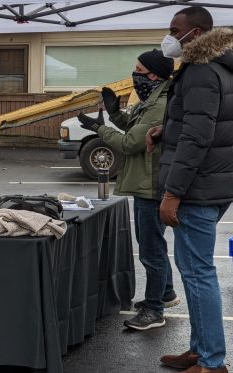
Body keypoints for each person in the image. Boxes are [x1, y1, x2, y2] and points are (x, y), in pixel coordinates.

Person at [146, 6, 233, 373]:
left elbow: (198, 137)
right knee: (193, 267)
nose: (169, 36)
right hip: (215, 182)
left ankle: (212, 362)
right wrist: (166, 130)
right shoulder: (222, 67)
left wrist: (173, 193)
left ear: (194, 34)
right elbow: (214, 123)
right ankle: (201, 349)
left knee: (197, 272)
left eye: (174, 29)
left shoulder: (200, 71)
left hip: (196, 188)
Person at [78, 50, 179, 331]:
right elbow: (133, 128)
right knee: (154, 244)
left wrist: (100, 130)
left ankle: (154, 310)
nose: (134, 75)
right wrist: (113, 114)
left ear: (154, 74)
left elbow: (129, 144)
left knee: (150, 250)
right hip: (148, 181)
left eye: (138, 69)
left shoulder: (160, 104)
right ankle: (166, 293)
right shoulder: (152, 99)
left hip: (151, 184)